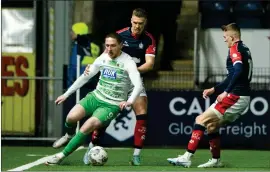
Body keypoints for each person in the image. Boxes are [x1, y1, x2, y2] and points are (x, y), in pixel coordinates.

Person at [46, 33, 143, 165]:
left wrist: (129, 101)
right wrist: (66, 94)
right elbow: (85, 76)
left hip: (111, 105)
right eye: (107, 45)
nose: (109, 49)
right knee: (71, 117)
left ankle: (60, 157)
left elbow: (138, 85)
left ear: (121, 45)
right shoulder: (103, 57)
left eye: (113, 46)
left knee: (87, 126)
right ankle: (69, 136)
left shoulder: (128, 62)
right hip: (95, 96)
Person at [167, 23, 253, 168]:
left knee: (200, 119)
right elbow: (232, 75)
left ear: (232, 37)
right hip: (241, 96)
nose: (224, 40)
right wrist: (215, 89)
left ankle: (187, 157)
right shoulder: (244, 49)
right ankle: (216, 160)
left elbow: (238, 71)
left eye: (226, 37)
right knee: (211, 126)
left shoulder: (235, 49)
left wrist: (225, 92)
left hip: (236, 96)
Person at [84, 8, 156, 166]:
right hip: (116, 82)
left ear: (145, 23)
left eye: (141, 24)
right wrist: (93, 65)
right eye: (135, 23)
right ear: (131, 20)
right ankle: (91, 147)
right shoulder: (120, 35)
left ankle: (136, 155)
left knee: (142, 113)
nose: (137, 26)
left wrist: (131, 70)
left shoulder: (149, 39)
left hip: (135, 82)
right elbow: (106, 55)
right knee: (105, 119)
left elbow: (149, 64)